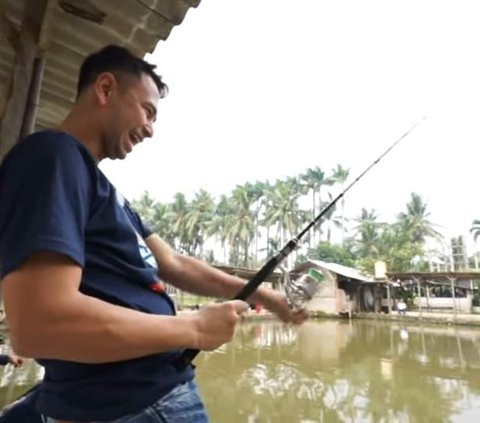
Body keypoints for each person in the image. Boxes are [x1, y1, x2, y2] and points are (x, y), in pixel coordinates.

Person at [0, 45, 308, 422]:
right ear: (106, 89)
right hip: (138, 403)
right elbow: (39, 326)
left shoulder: (102, 189)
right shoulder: (53, 157)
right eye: (147, 111)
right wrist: (193, 328)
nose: (149, 128)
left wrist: (266, 295)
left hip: (143, 394)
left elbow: (172, 263)